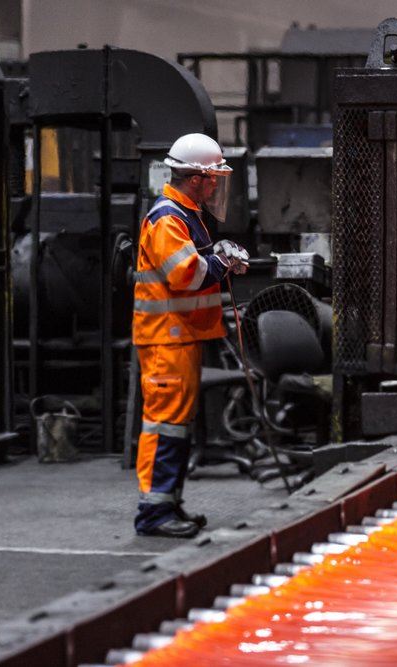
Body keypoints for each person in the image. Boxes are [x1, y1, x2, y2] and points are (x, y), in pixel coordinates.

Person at [132, 133, 249, 538]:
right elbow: (187, 275)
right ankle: (153, 514)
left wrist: (220, 254)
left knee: (175, 427)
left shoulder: (185, 214)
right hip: (167, 341)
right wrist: (220, 260)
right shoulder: (167, 218)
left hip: (180, 339)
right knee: (165, 425)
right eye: (213, 177)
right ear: (196, 178)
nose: (216, 185)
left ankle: (167, 505)